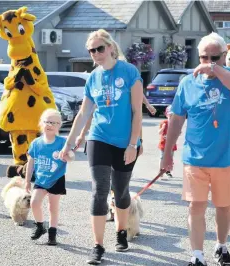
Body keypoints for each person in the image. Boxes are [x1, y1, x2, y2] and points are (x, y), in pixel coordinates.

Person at [161, 32, 230, 266]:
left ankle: (221, 246)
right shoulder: (187, 83)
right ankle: (197, 255)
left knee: (223, 206)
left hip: (227, 156)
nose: (208, 61)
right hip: (195, 157)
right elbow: (177, 120)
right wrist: (166, 153)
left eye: (214, 57)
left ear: (224, 56)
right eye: (203, 57)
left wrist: (215, 69)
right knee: (196, 205)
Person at [59, 29, 143, 265]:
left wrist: (133, 144)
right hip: (99, 138)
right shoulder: (93, 78)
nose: (95, 53)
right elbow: (84, 113)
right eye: (91, 50)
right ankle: (97, 246)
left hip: (125, 141)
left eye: (99, 48)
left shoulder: (129, 72)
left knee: (121, 191)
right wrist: (68, 143)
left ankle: (121, 231)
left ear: (111, 48)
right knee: (99, 190)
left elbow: (138, 112)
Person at [25, 109, 73, 246]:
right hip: (41, 179)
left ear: (59, 125)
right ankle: (40, 226)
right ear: (41, 123)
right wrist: (27, 181)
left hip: (56, 179)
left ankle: (52, 234)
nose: (50, 125)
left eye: (53, 122)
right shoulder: (36, 143)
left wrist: (68, 156)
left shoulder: (62, 142)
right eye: (47, 121)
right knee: (34, 202)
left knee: (53, 207)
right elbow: (30, 162)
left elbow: (70, 157)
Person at [158, 105, 177, 179]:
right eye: (170, 115)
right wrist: (162, 128)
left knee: (170, 158)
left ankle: (168, 171)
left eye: (173, 115)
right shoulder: (164, 122)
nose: (171, 117)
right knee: (162, 157)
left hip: (172, 145)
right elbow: (159, 133)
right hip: (163, 144)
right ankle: (161, 170)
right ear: (166, 115)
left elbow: (178, 133)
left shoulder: (175, 124)